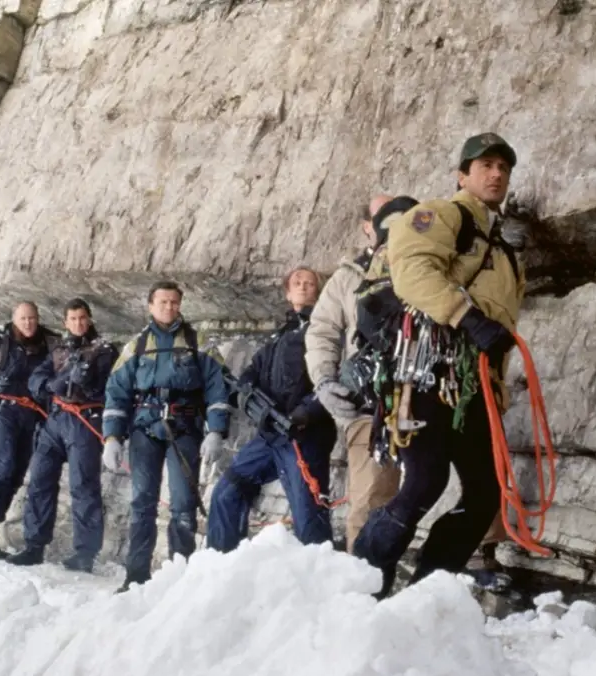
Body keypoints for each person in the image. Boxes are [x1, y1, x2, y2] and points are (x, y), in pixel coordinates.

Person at [351, 132, 528, 597]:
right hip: (427, 373)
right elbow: (414, 273)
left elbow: (500, 330)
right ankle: (362, 579)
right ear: (462, 174)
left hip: (473, 386)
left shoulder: (503, 251)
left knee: (485, 493)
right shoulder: (441, 216)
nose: (495, 174)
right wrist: (468, 318)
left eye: (503, 168)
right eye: (485, 165)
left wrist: (497, 384)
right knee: (426, 481)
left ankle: (428, 590)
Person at [103, 281, 231, 591]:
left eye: (174, 302)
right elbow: (116, 392)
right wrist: (112, 438)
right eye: (163, 302)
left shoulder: (198, 343)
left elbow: (219, 388)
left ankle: (180, 579)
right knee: (142, 502)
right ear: (150, 305)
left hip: (184, 429)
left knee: (184, 504)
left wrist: (216, 430)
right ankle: (135, 575)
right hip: (146, 429)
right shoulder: (137, 345)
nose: (169, 307)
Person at [206, 267, 336, 552]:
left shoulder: (327, 329)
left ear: (320, 291)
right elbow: (251, 373)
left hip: (305, 437)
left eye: (310, 283)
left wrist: (306, 412)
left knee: (308, 517)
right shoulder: (279, 336)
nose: (303, 286)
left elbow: (334, 377)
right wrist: (247, 394)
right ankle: (219, 565)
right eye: (297, 283)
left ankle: (321, 585)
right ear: (288, 293)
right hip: (269, 437)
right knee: (226, 493)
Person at [305, 195, 404, 552]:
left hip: (425, 394)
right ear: (367, 227)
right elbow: (323, 331)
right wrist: (325, 381)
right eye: (382, 216)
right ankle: (359, 579)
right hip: (369, 404)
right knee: (370, 495)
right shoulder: (347, 278)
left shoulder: (427, 264)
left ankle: (477, 561)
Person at [7, 298, 118, 573]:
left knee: (83, 486)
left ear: (89, 319)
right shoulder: (59, 349)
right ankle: (34, 546)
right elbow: (35, 380)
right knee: (40, 481)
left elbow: (111, 388)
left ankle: (85, 553)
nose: (78, 323)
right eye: (73, 319)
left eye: (83, 318)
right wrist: (52, 384)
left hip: (85, 419)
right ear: (65, 322)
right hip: (56, 420)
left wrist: (88, 384)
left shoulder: (105, 350)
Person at [0, 302, 60, 558]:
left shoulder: (50, 342)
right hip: (4, 410)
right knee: (1, 470)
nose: (28, 323)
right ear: (14, 319)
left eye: (32, 318)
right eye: (23, 318)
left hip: (34, 415)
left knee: (16, 475)